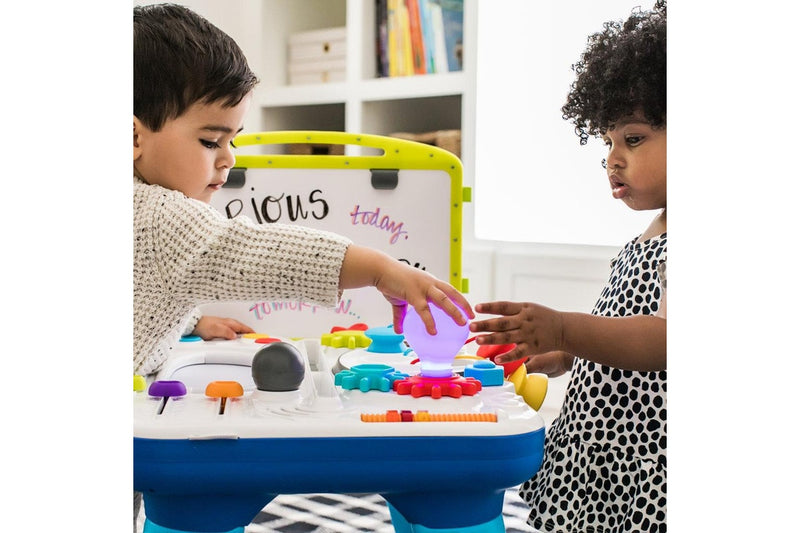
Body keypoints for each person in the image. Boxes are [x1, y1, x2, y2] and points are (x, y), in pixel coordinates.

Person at [133, 2, 473, 529]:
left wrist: (192, 319)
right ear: (131, 137)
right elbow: (259, 253)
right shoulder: (161, 213)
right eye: (210, 141)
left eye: (233, 140)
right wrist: (380, 268)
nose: (228, 160)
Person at [468, 2, 666, 532]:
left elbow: (666, 342)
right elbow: (623, 337)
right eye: (607, 143)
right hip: (604, 452)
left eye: (634, 138)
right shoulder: (652, 233)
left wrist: (562, 326)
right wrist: (561, 351)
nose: (613, 159)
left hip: (640, 467)